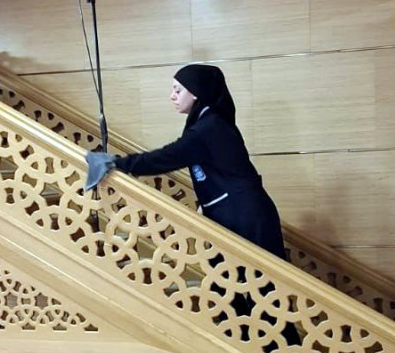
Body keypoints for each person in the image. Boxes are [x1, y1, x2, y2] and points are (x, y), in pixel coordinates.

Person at [85, 63, 288, 260]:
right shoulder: (210, 121)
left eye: (178, 90)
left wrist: (117, 163)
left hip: (245, 219)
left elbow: (166, 157)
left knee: (260, 280)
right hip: (240, 214)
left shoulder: (208, 127)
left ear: (196, 92)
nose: (172, 96)